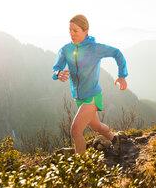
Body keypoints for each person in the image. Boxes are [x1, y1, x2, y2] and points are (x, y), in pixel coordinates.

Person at [52, 14, 128, 155]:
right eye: (70, 30)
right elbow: (56, 68)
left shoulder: (94, 48)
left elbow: (117, 53)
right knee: (97, 126)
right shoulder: (66, 49)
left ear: (86, 31)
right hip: (78, 98)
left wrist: (122, 76)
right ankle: (114, 138)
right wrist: (58, 74)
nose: (72, 34)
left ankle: (81, 167)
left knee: (75, 130)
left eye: (76, 30)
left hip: (92, 95)